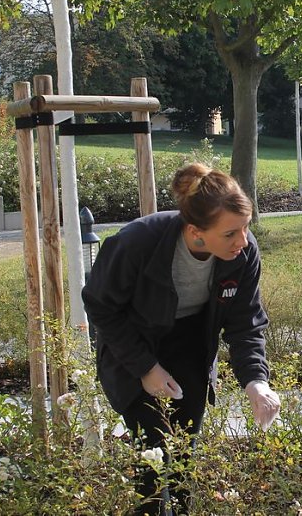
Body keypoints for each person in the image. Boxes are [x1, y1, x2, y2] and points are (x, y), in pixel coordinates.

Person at [82, 163, 280, 515]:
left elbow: (245, 323)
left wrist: (255, 382)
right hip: (133, 344)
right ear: (196, 231)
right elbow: (101, 307)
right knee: (153, 454)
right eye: (231, 233)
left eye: (246, 228)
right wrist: (146, 368)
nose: (244, 241)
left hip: (191, 343)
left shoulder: (244, 255)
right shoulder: (137, 243)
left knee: (184, 453)